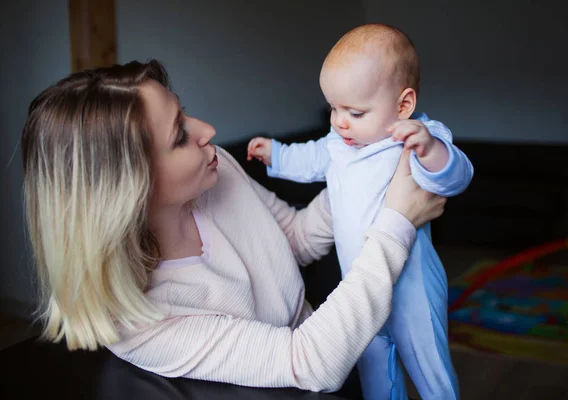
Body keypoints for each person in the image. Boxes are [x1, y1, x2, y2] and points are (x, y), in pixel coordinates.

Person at [21, 59, 446, 393]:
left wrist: (368, 173)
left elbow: (293, 239)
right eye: (180, 136)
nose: (208, 131)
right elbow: (309, 361)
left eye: (185, 114)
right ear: (127, 189)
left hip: (346, 348)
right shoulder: (141, 324)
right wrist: (396, 222)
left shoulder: (216, 168)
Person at [247, 24, 473, 400]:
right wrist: (278, 154)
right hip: (360, 286)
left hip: (412, 287)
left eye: (354, 111)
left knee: (429, 366)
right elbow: (312, 156)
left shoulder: (417, 137)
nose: (339, 121)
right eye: (333, 108)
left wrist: (431, 150)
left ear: (403, 105)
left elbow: (457, 176)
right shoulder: (339, 143)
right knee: (375, 372)